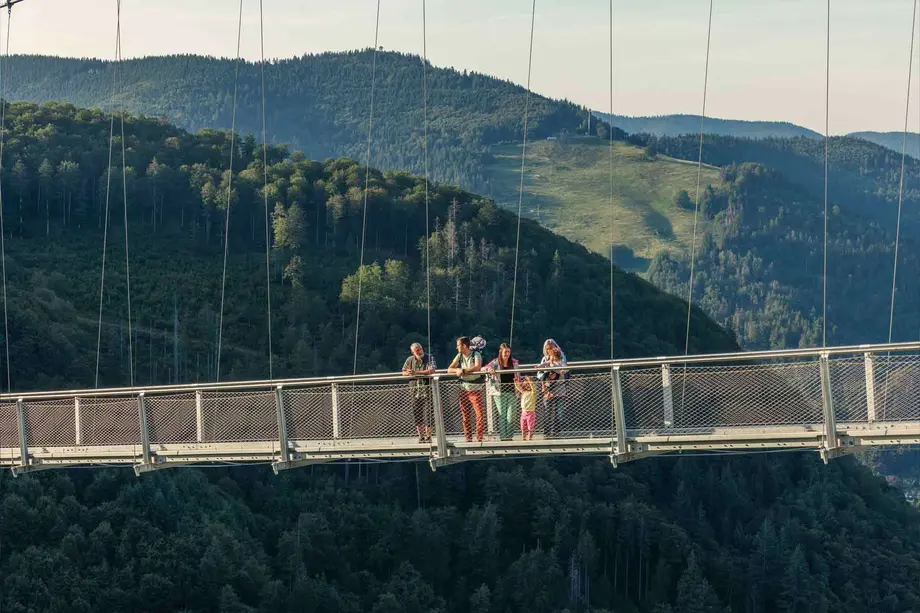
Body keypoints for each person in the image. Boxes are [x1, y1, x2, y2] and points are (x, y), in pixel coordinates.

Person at [448, 336, 485, 442]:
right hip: (463, 389)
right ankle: (468, 437)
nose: (457, 347)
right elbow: (449, 369)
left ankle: (479, 437)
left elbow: (477, 367)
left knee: (479, 414)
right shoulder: (459, 355)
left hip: (475, 389)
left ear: (464, 345)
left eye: (458, 345)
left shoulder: (476, 354)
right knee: (465, 415)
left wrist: (463, 371)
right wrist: (457, 370)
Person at [482, 343, 520, 441]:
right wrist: (489, 369)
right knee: (502, 415)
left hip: (512, 392)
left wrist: (520, 386)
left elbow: (518, 376)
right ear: (500, 352)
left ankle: (509, 437)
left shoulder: (514, 363)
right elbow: (483, 368)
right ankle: (503, 437)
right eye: (505, 352)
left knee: (511, 415)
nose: (507, 354)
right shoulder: (495, 362)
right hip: (499, 392)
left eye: (508, 352)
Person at [402, 342, 436, 443]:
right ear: (413, 352)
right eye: (417, 350)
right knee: (417, 414)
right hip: (415, 391)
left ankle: (428, 436)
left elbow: (432, 370)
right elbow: (403, 372)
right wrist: (408, 373)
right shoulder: (410, 360)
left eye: (420, 348)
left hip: (427, 389)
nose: (420, 351)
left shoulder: (429, 357)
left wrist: (416, 373)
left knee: (429, 414)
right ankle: (421, 436)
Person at [537, 338, 568, 438]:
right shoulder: (545, 359)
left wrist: (558, 371)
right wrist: (545, 377)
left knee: (559, 412)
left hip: (559, 387)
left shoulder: (561, 356)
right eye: (547, 349)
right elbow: (539, 373)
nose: (549, 350)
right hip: (548, 388)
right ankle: (546, 433)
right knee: (547, 411)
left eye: (551, 348)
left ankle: (556, 432)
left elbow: (564, 368)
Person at [516, 375, 537, 440]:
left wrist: (530, 381)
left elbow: (533, 388)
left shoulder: (533, 393)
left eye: (528, 385)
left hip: (531, 413)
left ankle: (530, 437)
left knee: (530, 427)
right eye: (526, 385)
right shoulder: (523, 392)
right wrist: (516, 383)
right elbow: (519, 388)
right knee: (522, 427)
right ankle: (523, 437)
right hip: (523, 413)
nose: (527, 386)